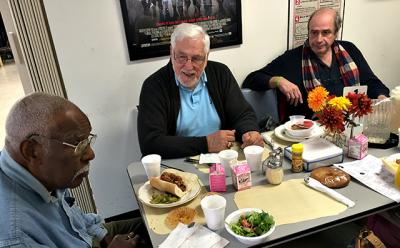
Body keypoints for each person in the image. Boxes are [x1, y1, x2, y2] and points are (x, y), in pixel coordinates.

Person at [0, 93, 148, 248]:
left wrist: (103, 236)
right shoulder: (16, 237)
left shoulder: (40, 173)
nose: (91, 154)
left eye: (87, 141)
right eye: (78, 145)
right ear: (32, 150)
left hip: (85, 235)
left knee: (166, 224)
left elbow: (72, 215)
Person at [138, 23, 263, 159]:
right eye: (181, 56)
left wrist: (249, 131)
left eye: (196, 58)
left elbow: (242, 114)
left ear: (206, 57)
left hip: (223, 158)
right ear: (171, 52)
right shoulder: (154, 86)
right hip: (177, 164)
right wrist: (206, 143)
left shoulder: (221, 73)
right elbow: (150, 143)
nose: (188, 66)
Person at [242, 7, 390, 123]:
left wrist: (382, 98)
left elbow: (372, 82)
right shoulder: (292, 59)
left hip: (351, 124)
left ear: (336, 33)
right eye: (314, 33)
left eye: (326, 33)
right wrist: (278, 81)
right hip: (308, 133)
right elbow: (252, 79)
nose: (319, 39)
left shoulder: (350, 50)